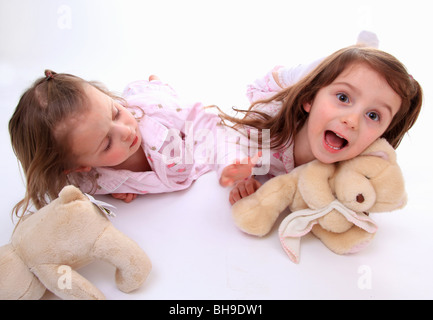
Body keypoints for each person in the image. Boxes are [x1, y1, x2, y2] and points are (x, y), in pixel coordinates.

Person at [9, 72, 236, 218]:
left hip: (155, 105)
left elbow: (209, 120)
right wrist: (113, 191)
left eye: (115, 113)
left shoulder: (156, 116)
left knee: (157, 96)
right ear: (80, 167)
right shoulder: (87, 183)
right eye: (107, 143)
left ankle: (153, 85)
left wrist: (229, 163)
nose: (127, 131)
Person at [219, 44, 423, 205]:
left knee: (355, 71)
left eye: (373, 115)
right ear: (309, 100)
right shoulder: (269, 127)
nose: (351, 121)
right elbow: (228, 139)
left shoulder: (359, 161)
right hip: (279, 85)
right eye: (343, 98)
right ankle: (361, 47)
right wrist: (240, 176)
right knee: (325, 69)